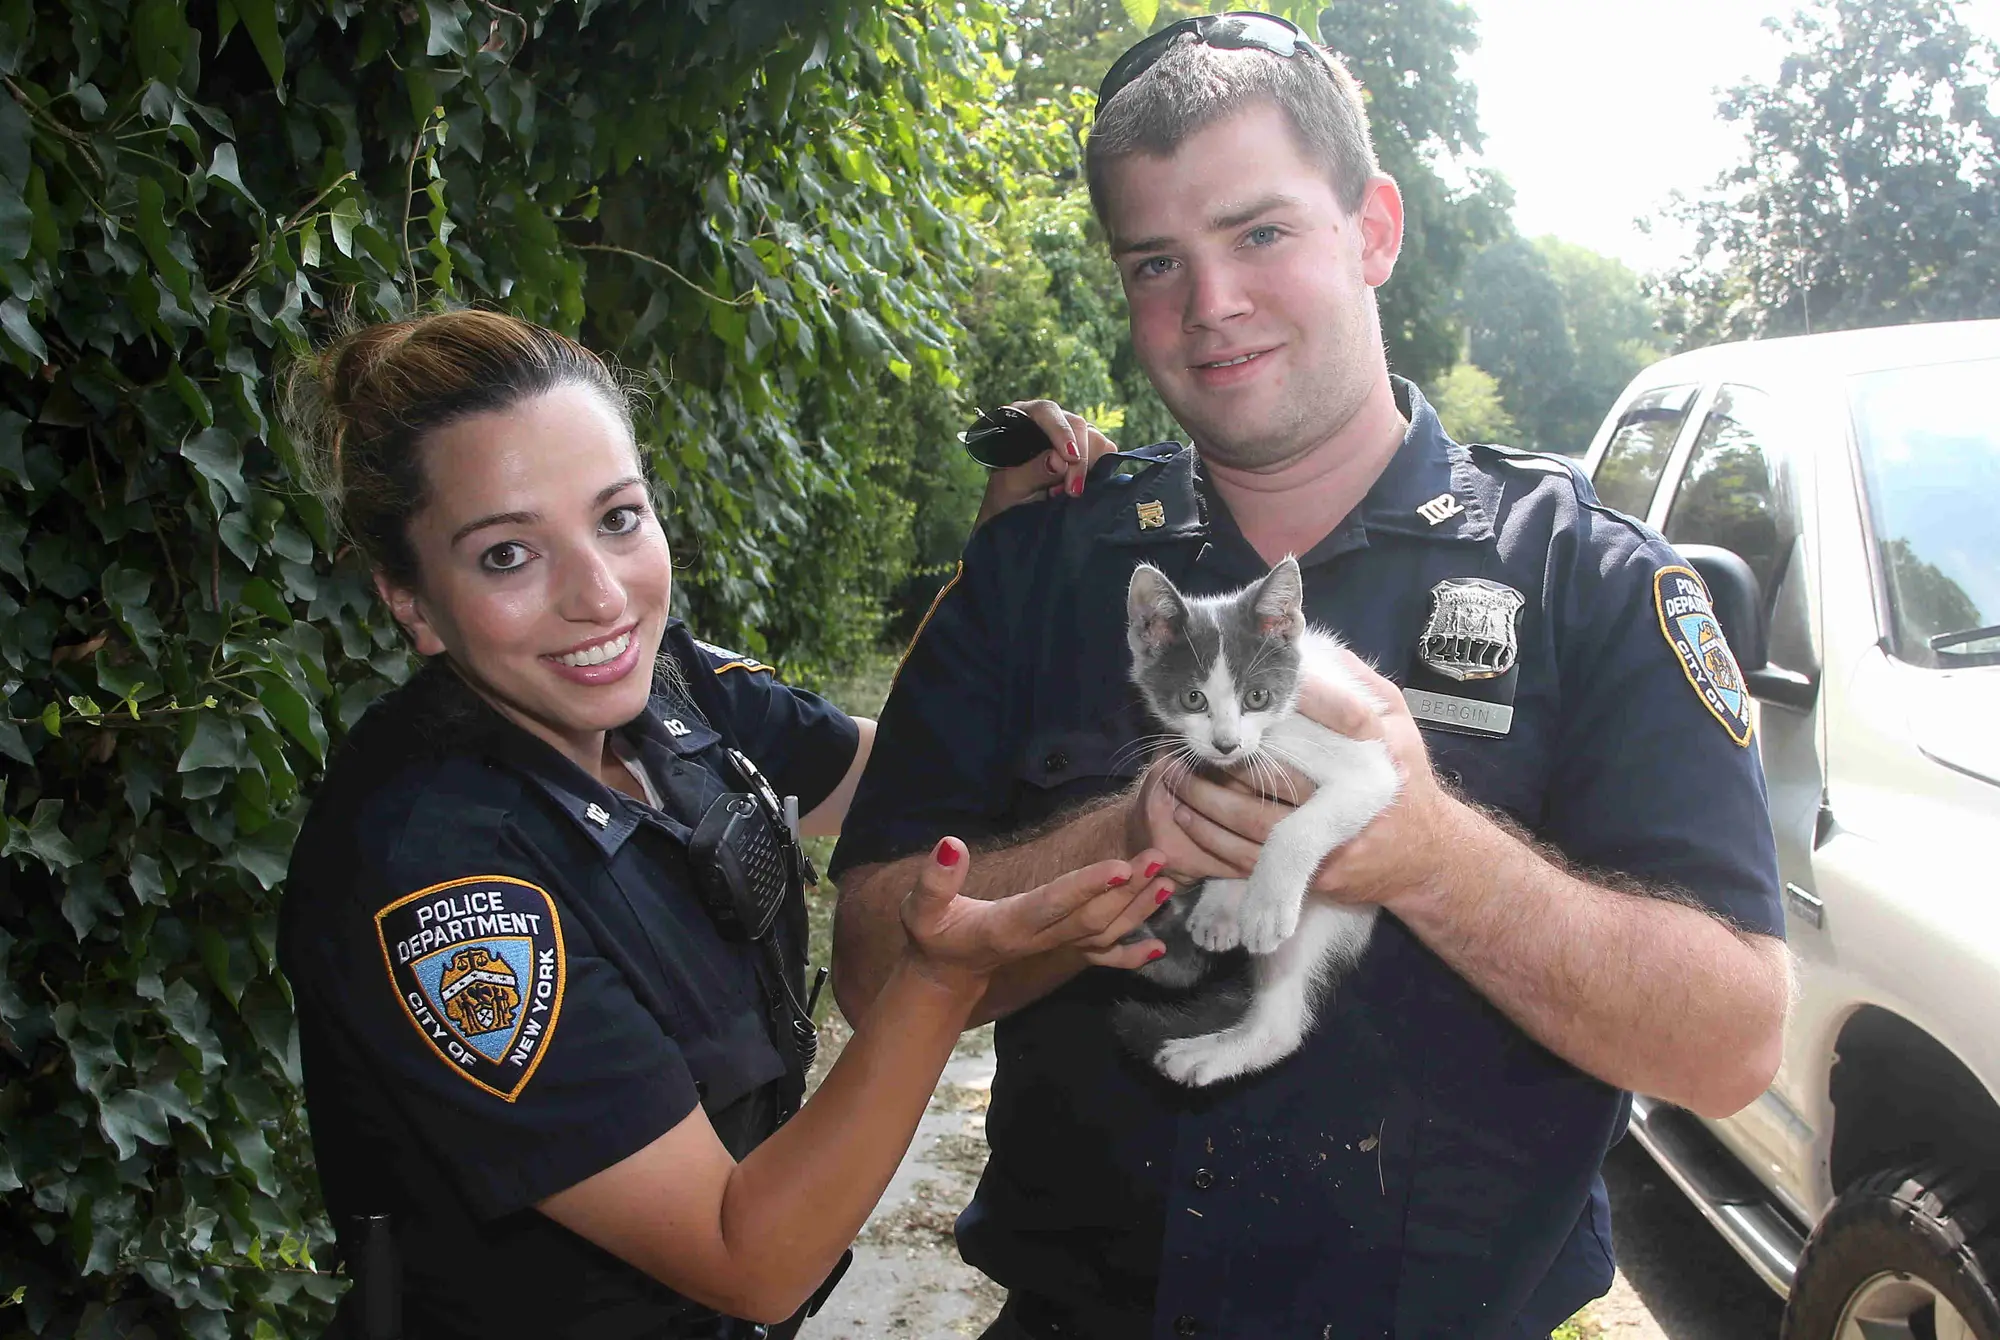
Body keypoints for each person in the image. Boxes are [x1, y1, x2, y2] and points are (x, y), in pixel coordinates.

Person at [829, 13, 1792, 1338]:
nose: (1209, 306)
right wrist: (1120, 842)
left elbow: (1732, 1045)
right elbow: (872, 970)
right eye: (1155, 261)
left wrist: (1435, 859)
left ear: (1373, 228)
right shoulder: (1038, 572)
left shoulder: (1593, 587)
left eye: (1261, 233)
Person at [275, 308, 1172, 1339]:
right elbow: (748, 1259)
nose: (599, 596)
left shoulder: (665, 690)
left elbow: (905, 775)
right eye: (509, 554)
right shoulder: (437, 877)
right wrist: (940, 975)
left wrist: (999, 570)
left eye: (617, 517)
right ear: (413, 602)